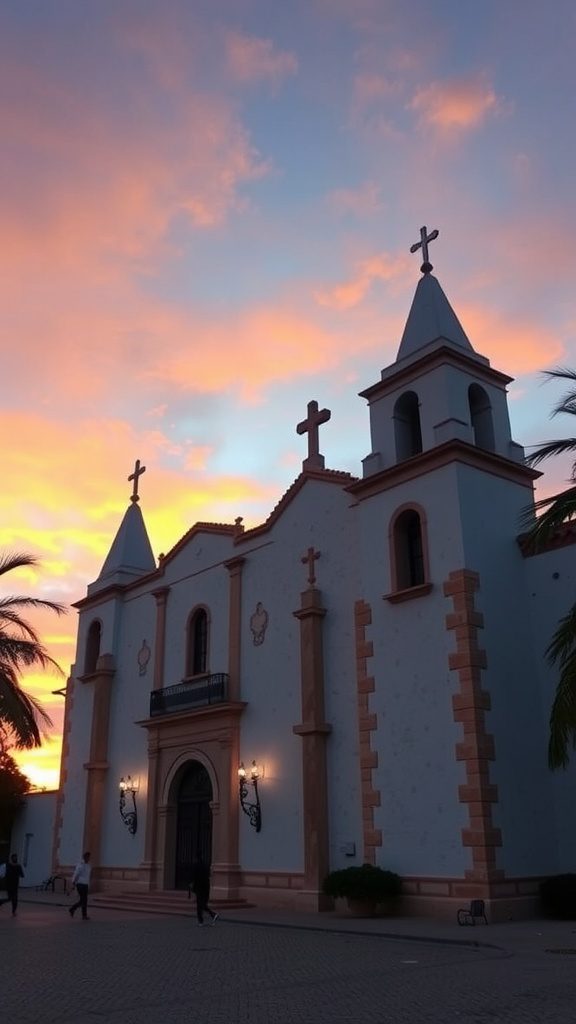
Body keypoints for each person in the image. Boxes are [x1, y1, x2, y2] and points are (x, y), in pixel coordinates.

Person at [190, 857, 218, 926]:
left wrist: (192, 885)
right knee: (202, 904)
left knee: (200, 904)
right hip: (206, 887)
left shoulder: (196, 866)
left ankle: (202, 920)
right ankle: (211, 915)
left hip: (199, 887)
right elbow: (209, 875)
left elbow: (193, 876)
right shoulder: (206, 866)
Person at [69, 851, 91, 920]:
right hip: (80, 884)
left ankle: (74, 909)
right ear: (85, 857)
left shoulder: (89, 865)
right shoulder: (80, 865)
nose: (89, 859)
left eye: (89, 857)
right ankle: (81, 914)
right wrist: (73, 883)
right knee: (84, 900)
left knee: (83, 900)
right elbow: (76, 874)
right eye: (87, 857)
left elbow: (88, 875)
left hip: (85, 884)